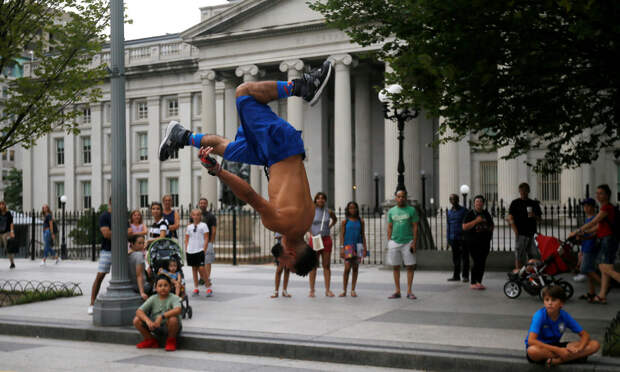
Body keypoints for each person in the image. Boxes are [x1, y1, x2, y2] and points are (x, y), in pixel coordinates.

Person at [158, 60, 333, 276]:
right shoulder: (281, 224)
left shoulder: (306, 221)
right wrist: (219, 172)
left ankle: (182, 137)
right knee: (244, 91)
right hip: (279, 147)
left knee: (227, 149)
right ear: (292, 255)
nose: (280, 262)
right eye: (284, 264)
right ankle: (303, 87)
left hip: (273, 156)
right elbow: (250, 195)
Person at [525, 285, 600, 366]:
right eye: (547, 300)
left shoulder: (564, 316)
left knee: (595, 344)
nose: (549, 303)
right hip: (542, 347)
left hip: (556, 345)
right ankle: (574, 357)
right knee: (532, 351)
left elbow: (585, 334)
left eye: (553, 300)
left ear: (561, 303)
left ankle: (559, 361)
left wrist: (579, 349)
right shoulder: (539, 315)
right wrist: (558, 350)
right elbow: (531, 341)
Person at [569, 184, 619, 304]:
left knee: (604, 267)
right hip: (606, 240)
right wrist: (582, 233)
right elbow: (596, 228)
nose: (598, 195)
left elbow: (594, 222)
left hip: (608, 240)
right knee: (604, 270)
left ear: (607, 195)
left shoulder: (606, 208)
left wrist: (577, 231)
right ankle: (602, 295)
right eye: (597, 193)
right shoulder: (606, 208)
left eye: (600, 193)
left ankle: (603, 293)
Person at [133, 274, 182, 352]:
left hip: (170, 327)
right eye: (160, 285)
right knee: (137, 320)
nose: (163, 288)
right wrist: (147, 321)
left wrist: (161, 317)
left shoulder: (174, 298)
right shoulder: (153, 298)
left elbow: (178, 309)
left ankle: (171, 341)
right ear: (155, 288)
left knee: (173, 319)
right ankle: (150, 340)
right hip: (156, 326)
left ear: (170, 287)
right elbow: (139, 311)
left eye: (166, 285)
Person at [386, 190, 419, 300]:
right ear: (396, 198)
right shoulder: (391, 211)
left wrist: (414, 242)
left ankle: (409, 291)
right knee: (396, 266)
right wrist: (389, 241)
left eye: (403, 196)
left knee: (410, 266)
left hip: (408, 241)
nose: (401, 198)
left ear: (406, 198)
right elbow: (390, 226)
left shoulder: (412, 210)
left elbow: (415, 226)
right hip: (395, 242)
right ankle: (397, 291)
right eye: (398, 197)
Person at [307, 192, 338, 298]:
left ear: (325, 200)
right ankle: (312, 290)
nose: (320, 200)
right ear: (315, 200)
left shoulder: (329, 211)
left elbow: (335, 220)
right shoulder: (311, 211)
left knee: (326, 265)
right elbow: (305, 222)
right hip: (315, 239)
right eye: (318, 198)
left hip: (326, 239)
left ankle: (328, 290)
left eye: (323, 198)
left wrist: (329, 227)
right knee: (313, 266)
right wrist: (310, 232)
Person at [508, 183, 542, 272]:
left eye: (525, 190)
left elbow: (539, 219)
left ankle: (532, 272)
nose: (523, 192)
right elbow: (510, 217)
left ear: (528, 191)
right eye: (521, 190)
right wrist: (515, 231)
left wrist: (534, 215)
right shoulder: (515, 203)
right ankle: (518, 272)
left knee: (534, 255)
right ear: (519, 191)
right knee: (519, 255)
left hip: (531, 233)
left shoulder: (533, 203)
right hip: (520, 233)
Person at [462, 195, 494, 290]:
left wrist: (489, 230)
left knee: (482, 262)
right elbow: (464, 227)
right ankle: (473, 282)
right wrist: (476, 221)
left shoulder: (485, 213)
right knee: (476, 261)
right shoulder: (470, 213)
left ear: (483, 203)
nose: (479, 203)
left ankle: (479, 282)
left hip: (485, 242)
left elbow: (492, 225)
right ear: (474, 203)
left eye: (480, 202)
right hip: (473, 242)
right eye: (477, 202)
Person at [575, 198, 601, 303]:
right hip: (586, 247)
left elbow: (594, 233)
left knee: (585, 269)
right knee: (590, 270)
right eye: (584, 206)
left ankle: (605, 285)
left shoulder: (594, 219)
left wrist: (582, 234)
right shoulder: (588, 219)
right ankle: (592, 292)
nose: (584, 208)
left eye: (586, 206)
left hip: (591, 247)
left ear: (591, 207)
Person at [339, 201, 367, 297]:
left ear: (357, 209)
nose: (352, 210)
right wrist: (342, 248)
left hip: (358, 246)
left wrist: (365, 248)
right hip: (348, 246)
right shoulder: (345, 221)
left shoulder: (361, 221)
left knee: (355, 268)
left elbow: (363, 235)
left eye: (354, 208)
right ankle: (344, 290)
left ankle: (353, 289)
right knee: (347, 268)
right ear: (348, 209)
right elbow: (342, 235)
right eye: (350, 208)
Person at [88, 199, 112, 315]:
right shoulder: (104, 216)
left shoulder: (122, 215)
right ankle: (92, 303)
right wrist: (122, 233)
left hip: (121, 250)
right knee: (100, 275)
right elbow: (106, 234)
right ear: (110, 203)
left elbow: (129, 231)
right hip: (107, 250)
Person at [185, 208, 210, 297]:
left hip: (200, 250)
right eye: (194, 215)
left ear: (200, 216)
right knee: (194, 269)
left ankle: (208, 286)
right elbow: (187, 239)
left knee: (202, 268)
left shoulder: (204, 226)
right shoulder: (189, 227)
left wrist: (204, 249)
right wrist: (186, 248)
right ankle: (196, 288)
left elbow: (206, 238)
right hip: (191, 250)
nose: (196, 216)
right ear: (191, 216)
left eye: (198, 215)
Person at [446, 194, 468, 282]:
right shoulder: (449, 212)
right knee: (455, 258)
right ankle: (456, 275)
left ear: (458, 200)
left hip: (462, 238)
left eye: (454, 199)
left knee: (465, 258)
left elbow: (466, 224)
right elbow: (448, 226)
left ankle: (465, 276)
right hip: (453, 238)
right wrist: (448, 239)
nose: (452, 201)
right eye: (451, 199)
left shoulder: (464, 211)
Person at [198, 197, 217, 292]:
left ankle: (207, 278)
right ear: (199, 204)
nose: (202, 204)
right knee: (198, 261)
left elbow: (213, 230)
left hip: (207, 241)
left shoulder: (211, 216)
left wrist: (211, 241)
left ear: (207, 204)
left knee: (207, 261)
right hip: (197, 241)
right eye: (201, 203)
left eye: (204, 203)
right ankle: (202, 277)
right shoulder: (195, 215)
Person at [128, 235, 150, 301]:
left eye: (143, 243)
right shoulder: (139, 255)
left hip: (129, 286)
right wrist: (142, 293)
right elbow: (139, 275)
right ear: (132, 244)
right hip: (141, 287)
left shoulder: (127, 254)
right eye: (139, 243)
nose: (142, 245)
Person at [271, 233, 291, 298]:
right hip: (281, 249)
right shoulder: (280, 224)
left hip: (289, 248)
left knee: (287, 269)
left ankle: (284, 291)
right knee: (279, 270)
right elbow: (276, 236)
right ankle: (276, 291)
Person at [0, 201, 16, 269]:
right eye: (0, 205)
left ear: (5, 206)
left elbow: (11, 223)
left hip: (6, 233)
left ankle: (12, 263)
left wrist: (12, 232)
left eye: (2, 204)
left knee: (8, 248)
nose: (1, 206)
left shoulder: (8, 213)